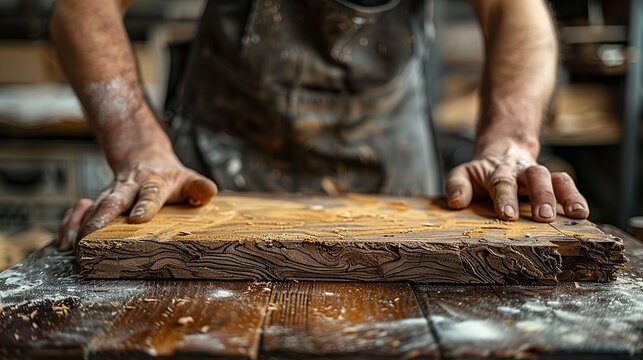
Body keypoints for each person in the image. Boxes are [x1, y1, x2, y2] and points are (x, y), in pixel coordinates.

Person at [52, 0, 589, 251]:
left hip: (395, 178)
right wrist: (140, 146)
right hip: (212, 179)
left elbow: (514, 11)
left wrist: (510, 141)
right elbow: (84, 7)